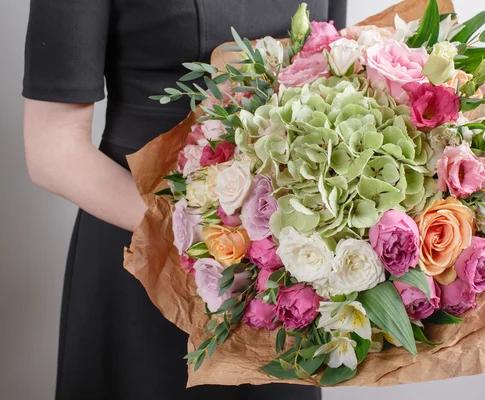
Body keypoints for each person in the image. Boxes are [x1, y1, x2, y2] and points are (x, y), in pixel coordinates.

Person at [22, 1, 347, 399]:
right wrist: (203, 235)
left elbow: (330, 80)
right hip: (145, 251)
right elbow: (52, 152)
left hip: (281, 272)